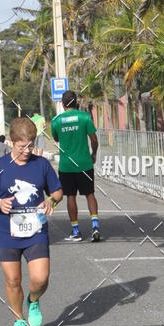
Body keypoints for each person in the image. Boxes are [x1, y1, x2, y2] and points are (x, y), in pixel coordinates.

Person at [0, 116, 63, 326]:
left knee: (40, 278)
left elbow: (57, 192)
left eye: (30, 144)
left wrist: (50, 202)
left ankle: (33, 300)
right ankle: (18, 321)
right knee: (13, 281)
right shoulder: (0, 166)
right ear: (12, 142)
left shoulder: (42, 165)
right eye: (21, 146)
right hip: (7, 232)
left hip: (35, 229)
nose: (27, 150)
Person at [51, 90, 100, 242]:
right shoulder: (85, 117)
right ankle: (95, 226)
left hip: (67, 166)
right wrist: (94, 154)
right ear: (76, 103)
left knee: (70, 196)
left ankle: (76, 231)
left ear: (63, 104)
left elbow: (56, 138)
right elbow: (94, 140)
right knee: (90, 194)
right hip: (85, 163)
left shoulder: (56, 121)